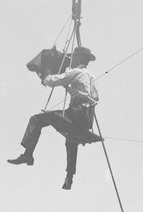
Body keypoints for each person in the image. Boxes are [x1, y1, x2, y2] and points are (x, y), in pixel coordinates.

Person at [7, 46, 99, 191]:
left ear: (80, 58)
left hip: (76, 112)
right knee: (71, 139)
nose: (72, 59)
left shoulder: (76, 72)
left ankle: (27, 154)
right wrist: (67, 86)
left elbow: (54, 81)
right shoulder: (91, 76)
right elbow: (81, 91)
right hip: (86, 118)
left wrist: (46, 77)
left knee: (37, 119)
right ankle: (69, 177)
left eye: (74, 57)